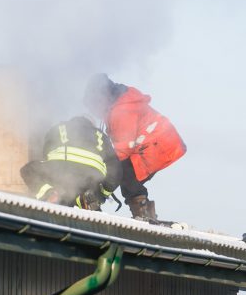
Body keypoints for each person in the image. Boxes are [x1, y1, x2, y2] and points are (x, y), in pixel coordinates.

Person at [83, 73, 187, 221]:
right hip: (155, 144)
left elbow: (124, 147)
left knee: (125, 173)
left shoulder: (121, 110)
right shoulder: (117, 105)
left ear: (101, 99)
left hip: (158, 146)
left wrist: (102, 165)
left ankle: (143, 214)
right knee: (124, 172)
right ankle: (144, 213)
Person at [20, 116, 122, 211]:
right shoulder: (101, 136)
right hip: (91, 180)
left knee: (28, 170)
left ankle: (50, 194)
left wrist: (51, 170)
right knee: (88, 192)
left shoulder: (59, 127)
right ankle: (88, 198)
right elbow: (116, 170)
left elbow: (47, 151)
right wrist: (101, 194)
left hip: (60, 174)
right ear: (91, 124)